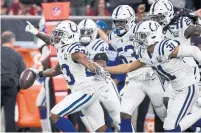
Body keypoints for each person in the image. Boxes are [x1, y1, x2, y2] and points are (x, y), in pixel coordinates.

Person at [101, 20, 201, 132]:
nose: (139, 39)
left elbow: (194, 50)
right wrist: (104, 69)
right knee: (170, 125)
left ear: (154, 35)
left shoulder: (164, 47)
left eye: (142, 36)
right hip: (175, 90)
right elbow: (128, 67)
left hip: (187, 87)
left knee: (171, 128)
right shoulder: (146, 54)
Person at [25, 20, 114, 132]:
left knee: (55, 115)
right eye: (56, 33)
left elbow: (85, 61)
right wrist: (39, 73)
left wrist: (95, 68)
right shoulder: (63, 48)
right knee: (101, 129)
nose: (56, 37)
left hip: (85, 91)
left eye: (60, 34)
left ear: (70, 36)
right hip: (85, 90)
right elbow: (55, 71)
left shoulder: (74, 49)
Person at [109, 5, 167, 132]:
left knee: (165, 115)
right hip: (134, 79)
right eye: (116, 21)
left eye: (121, 22)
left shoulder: (138, 29)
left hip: (151, 75)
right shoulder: (112, 36)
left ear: (130, 20)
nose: (118, 25)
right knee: (124, 113)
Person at [149, 0, 201, 130]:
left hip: (187, 68)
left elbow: (197, 31)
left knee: (184, 108)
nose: (156, 20)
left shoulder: (181, 22)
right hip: (169, 72)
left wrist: (194, 20)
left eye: (159, 17)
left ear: (168, 14)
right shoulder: (155, 30)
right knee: (172, 110)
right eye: (154, 17)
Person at [78, 19, 120, 131]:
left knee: (115, 119)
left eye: (87, 32)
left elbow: (102, 64)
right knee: (89, 120)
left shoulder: (100, 44)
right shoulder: (76, 45)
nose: (84, 35)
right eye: (82, 31)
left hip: (101, 84)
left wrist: (89, 62)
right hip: (86, 86)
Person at [1, 31, 26, 132]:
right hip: (11, 86)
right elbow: (23, 74)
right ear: (12, 41)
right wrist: (18, 88)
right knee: (9, 116)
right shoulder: (17, 55)